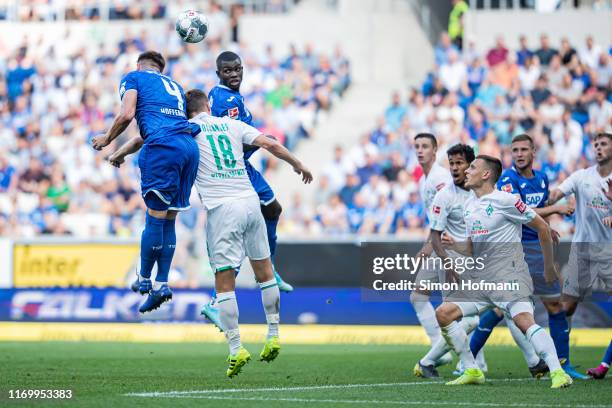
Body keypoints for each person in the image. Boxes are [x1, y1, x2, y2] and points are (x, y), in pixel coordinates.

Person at [186, 89, 312, 377]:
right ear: (208, 105)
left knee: (224, 279)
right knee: (265, 272)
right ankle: (273, 334)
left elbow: (152, 138)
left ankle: (235, 348)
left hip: (222, 208)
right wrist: (297, 164)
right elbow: (270, 143)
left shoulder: (188, 128)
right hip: (250, 201)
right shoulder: (232, 124)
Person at [435, 155, 572, 388]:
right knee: (444, 313)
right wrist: (454, 244)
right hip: (482, 280)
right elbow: (471, 247)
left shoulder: (507, 200)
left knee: (523, 321)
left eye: (472, 167)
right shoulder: (469, 206)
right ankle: (471, 369)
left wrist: (549, 266)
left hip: (510, 276)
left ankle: (558, 373)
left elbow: (541, 227)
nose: (466, 171)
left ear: (486, 174)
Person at [468, 134, 586, 379]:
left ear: (534, 151)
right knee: (503, 309)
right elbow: (520, 209)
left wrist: (547, 227)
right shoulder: (509, 180)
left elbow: (534, 218)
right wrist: (555, 208)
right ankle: (467, 359)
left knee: (551, 306)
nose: (519, 154)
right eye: (515, 150)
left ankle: (563, 364)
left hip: (536, 249)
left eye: (523, 149)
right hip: (515, 252)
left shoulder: (542, 179)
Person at [92, 51, 199, 313]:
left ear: (139, 65)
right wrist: (120, 154)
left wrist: (107, 139)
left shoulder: (134, 78)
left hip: (162, 149)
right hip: (188, 149)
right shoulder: (175, 87)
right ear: (160, 69)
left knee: (154, 217)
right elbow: (147, 133)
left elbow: (127, 114)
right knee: (169, 218)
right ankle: (162, 283)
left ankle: (143, 278)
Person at [201, 51, 294, 330]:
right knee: (251, 224)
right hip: (235, 170)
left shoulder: (226, 97)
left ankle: (268, 270)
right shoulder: (226, 100)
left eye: (237, 69)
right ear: (218, 73)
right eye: (227, 71)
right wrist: (264, 142)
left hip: (240, 167)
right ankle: (219, 299)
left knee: (272, 210)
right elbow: (232, 142)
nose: (233, 74)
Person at [413, 143, 482, 378]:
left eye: (459, 163)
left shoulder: (479, 192)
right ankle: (461, 363)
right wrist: (446, 262)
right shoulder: (445, 194)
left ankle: (462, 363)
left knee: (470, 317)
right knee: (466, 318)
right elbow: (436, 235)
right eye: (451, 163)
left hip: (474, 260)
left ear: (470, 166)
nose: (454, 168)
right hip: (451, 261)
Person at [547, 132, 612, 374]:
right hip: (582, 252)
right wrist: (551, 198)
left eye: (604, 144)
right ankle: (560, 361)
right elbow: (556, 194)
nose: (598, 147)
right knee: (568, 307)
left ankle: (604, 364)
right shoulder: (582, 176)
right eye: (595, 144)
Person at [410, 133, 453, 366]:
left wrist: (430, 244)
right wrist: (427, 244)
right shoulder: (422, 180)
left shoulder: (440, 178)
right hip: (436, 244)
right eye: (416, 146)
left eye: (425, 146)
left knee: (453, 307)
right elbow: (433, 219)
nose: (420, 150)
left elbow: (448, 212)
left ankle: (474, 362)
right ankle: (441, 350)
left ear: (435, 150)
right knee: (418, 296)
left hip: (449, 246)